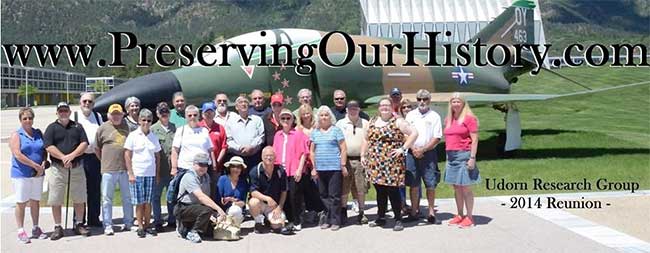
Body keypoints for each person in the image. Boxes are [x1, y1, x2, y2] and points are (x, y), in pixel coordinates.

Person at [362, 98, 418, 231]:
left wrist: (403, 148)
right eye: (382, 105)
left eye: (387, 105)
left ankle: (398, 218)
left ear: (392, 107)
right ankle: (381, 217)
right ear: (379, 107)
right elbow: (365, 139)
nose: (384, 108)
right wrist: (363, 155)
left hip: (392, 163)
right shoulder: (372, 121)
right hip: (375, 163)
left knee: (393, 191)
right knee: (380, 191)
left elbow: (414, 133)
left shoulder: (398, 121)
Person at [43, 102, 90, 239]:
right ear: (57, 113)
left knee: (79, 198)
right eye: (60, 111)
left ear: (69, 112)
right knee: (56, 198)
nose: (63, 113)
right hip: (58, 169)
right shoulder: (52, 128)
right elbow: (48, 146)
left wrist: (71, 156)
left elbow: (84, 143)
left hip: (76, 167)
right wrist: (63, 157)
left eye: (65, 110)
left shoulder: (77, 126)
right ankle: (58, 227)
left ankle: (79, 224)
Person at [169, 105, 216, 228]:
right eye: (189, 115)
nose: (192, 117)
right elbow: (174, 150)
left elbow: (210, 150)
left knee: (204, 195)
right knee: (187, 198)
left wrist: (214, 164)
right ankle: (180, 221)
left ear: (199, 116)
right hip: (186, 169)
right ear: (185, 117)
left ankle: (201, 222)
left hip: (204, 168)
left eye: (195, 115)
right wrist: (174, 168)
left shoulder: (204, 130)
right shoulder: (181, 130)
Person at [10, 107, 48, 243]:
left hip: (37, 174)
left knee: (35, 201)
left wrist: (43, 163)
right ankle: (20, 230)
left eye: (30, 118)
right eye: (24, 118)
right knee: (21, 202)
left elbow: (44, 150)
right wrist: (34, 165)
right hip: (21, 174)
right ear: (20, 120)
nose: (28, 120)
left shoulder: (38, 133)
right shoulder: (16, 135)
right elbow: (17, 154)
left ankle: (36, 227)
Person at [404, 89, 443, 224]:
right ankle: (414, 212)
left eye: (425, 99)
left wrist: (423, 149)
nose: (422, 102)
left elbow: (437, 137)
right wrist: (413, 148)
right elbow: (405, 133)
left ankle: (431, 213)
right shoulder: (410, 115)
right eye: (419, 99)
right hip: (411, 152)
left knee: (430, 183)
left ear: (429, 100)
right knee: (413, 183)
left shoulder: (435, 116)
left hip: (429, 153)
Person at [95, 104, 133, 235]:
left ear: (122, 115)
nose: (116, 116)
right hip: (108, 170)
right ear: (109, 115)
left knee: (127, 198)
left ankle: (129, 223)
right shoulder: (102, 128)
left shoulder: (127, 127)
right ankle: (108, 225)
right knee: (106, 199)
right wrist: (104, 161)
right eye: (113, 114)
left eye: (118, 114)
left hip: (124, 169)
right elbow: (97, 148)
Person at [444, 93, 480, 228]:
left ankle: (469, 217)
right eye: (453, 101)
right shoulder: (448, 119)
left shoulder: (470, 119)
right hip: (451, 157)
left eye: (458, 101)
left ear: (463, 103)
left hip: (464, 155)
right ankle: (459, 214)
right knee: (456, 187)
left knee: (466, 188)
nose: (456, 104)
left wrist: (472, 158)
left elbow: (475, 139)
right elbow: (448, 139)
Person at [125, 109, 162, 238]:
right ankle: (140, 226)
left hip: (150, 174)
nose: (146, 122)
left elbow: (157, 157)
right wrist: (130, 173)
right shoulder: (133, 135)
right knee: (139, 202)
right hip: (137, 174)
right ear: (139, 121)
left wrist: (157, 174)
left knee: (148, 202)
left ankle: (147, 225)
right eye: (143, 120)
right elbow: (127, 155)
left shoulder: (153, 137)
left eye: (149, 120)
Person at [175, 153, 227, 243]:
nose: (203, 167)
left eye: (205, 165)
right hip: (183, 208)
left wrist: (215, 214)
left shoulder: (206, 177)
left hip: (198, 207)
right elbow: (201, 197)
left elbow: (207, 198)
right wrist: (218, 209)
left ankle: (187, 227)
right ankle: (192, 232)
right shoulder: (189, 177)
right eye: (200, 164)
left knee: (212, 231)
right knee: (207, 211)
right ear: (194, 164)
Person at [310, 106, 347, 231]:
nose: (324, 117)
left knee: (334, 195)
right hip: (320, 168)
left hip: (334, 168)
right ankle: (328, 218)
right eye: (321, 115)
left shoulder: (336, 130)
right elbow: (312, 151)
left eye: (326, 115)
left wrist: (342, 165)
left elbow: (343, 148)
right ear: (318, 117)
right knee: (323, 195)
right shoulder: (315, 132)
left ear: (330, 117)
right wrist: (313, 168)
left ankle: (335, 220)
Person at [273, 108, 309, 231]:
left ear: (293, 119)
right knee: (284, 196)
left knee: (295, 196)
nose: (286, 120)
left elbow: (305, 153)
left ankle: (297, 220)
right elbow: (274, 152)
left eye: (288, 118)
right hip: (280, 170)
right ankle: (289, 219)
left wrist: (300, 169)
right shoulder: (277, 135)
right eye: (283, 118)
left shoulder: (298, 134)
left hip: (294, 170)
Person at [335, 100, 369, 225]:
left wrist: (365, 156)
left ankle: (361, 211)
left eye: (355, 108)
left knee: (361, 187)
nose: (353, 110)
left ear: (359, 109)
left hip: (361, 159)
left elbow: (368, 141)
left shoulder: (365, 123)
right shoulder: (340, 124)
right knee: (344, 187)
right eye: (350, 108)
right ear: (347, 110)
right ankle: (343, 210)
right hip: (345, 159)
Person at [72, 92, 103, 227]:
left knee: (95, 189)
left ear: (93, 104)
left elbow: (101, 135)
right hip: (79, 157)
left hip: (94, 157)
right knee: (79, 189)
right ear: (80, 103)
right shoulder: (75, 116)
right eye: (84, 101)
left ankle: (94, 219)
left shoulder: (97, 116)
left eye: (90, 101)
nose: (87, 104)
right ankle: (79, 220)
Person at [248, 147, 291, 235]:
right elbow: (253, 192)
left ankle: (268, 220)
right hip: (261, 203)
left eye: (271, 155)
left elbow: (284, 191)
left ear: (275, 157)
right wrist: (267, 199)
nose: (269, 158)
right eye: (266, 156)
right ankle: (258, 222)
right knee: (253, 202)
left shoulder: (280, 171)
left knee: (277, 225)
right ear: (262, 157)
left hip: (274, 206)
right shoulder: (255, 171)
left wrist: (280, 207)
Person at [295, 104, 325, 220]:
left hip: (317, 159)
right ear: (300, 116)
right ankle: (309, 210)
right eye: (303, 114)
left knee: (318, 186)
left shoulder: (317, 127)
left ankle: (321, 210)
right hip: (303, 161)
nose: (306, 116)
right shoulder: (298, 129)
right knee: (306, 187)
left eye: (308, 113)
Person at [151, 102, 177, 231]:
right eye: (161, 112)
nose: (164, 114)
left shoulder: (174, 128)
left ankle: (172, 219)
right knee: (156, 197)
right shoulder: (153, 129)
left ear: (169, 113)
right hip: (158, 170)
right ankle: (158, 221)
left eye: (166, 111)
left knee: (171, 196)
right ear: (157, 113)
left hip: (172, 169)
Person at [225, 95, 265, 170]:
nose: (243, 104)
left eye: (245, 102)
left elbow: (261, 136)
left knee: (254, 179)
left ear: (249, 106)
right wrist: (240, 148)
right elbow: (229, 140)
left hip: (255, 157)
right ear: (236, 107)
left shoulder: (257, 120)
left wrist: (251, 146)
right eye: (241, 102)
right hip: (237, 157)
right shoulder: (230, 122)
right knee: (239, 180)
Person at [198, 102, 227, 198]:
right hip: (201, 163)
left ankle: (214, 209)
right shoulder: (198, 127)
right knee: (201, 187)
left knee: (214, 187)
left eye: (211, 112)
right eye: (206, 112)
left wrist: (218, 161)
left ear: (214, 113)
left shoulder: (220, 128)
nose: (209, 114)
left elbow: (224, 146)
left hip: (216, 165)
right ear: (202, 114)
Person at [216, 156, 249, 226]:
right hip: (223, 210)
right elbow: (217, 198)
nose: (236, 169)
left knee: (235, 210)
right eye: (233, 166)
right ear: (229, 168)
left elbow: (244, 201)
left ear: (241, 169)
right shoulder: (222, 179)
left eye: (238, 167)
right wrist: (226, 200)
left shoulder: (243, 182)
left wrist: (235, 203)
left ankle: (234, 226)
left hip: (238, 210)